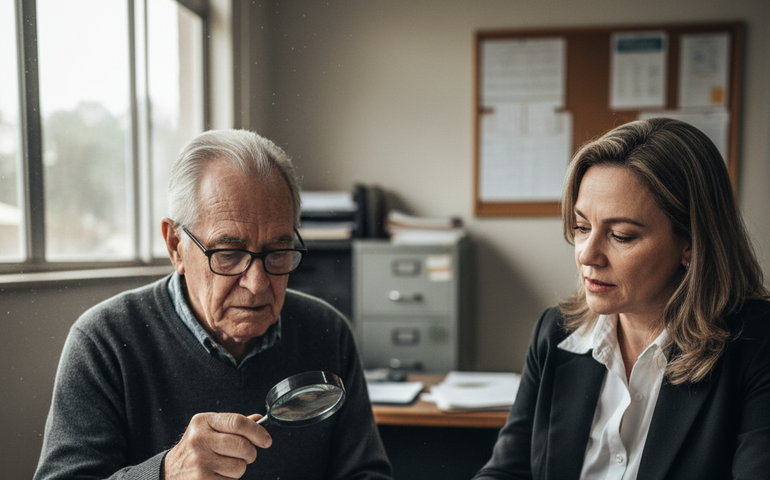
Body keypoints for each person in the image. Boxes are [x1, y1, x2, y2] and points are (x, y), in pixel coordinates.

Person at [34, 130, 393, 480]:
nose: (256, 285)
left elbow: (366, 473)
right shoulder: (103, 341)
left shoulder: (327, 331)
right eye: (229, 254)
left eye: (277, 252)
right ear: (176, 245)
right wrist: (166, 474)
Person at [473, 118, 770, 480]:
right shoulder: (555, 333)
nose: (587, 254)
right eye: (582, 227)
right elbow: (507, 471)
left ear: (690, 244)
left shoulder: (756, 345)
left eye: (622, 235)